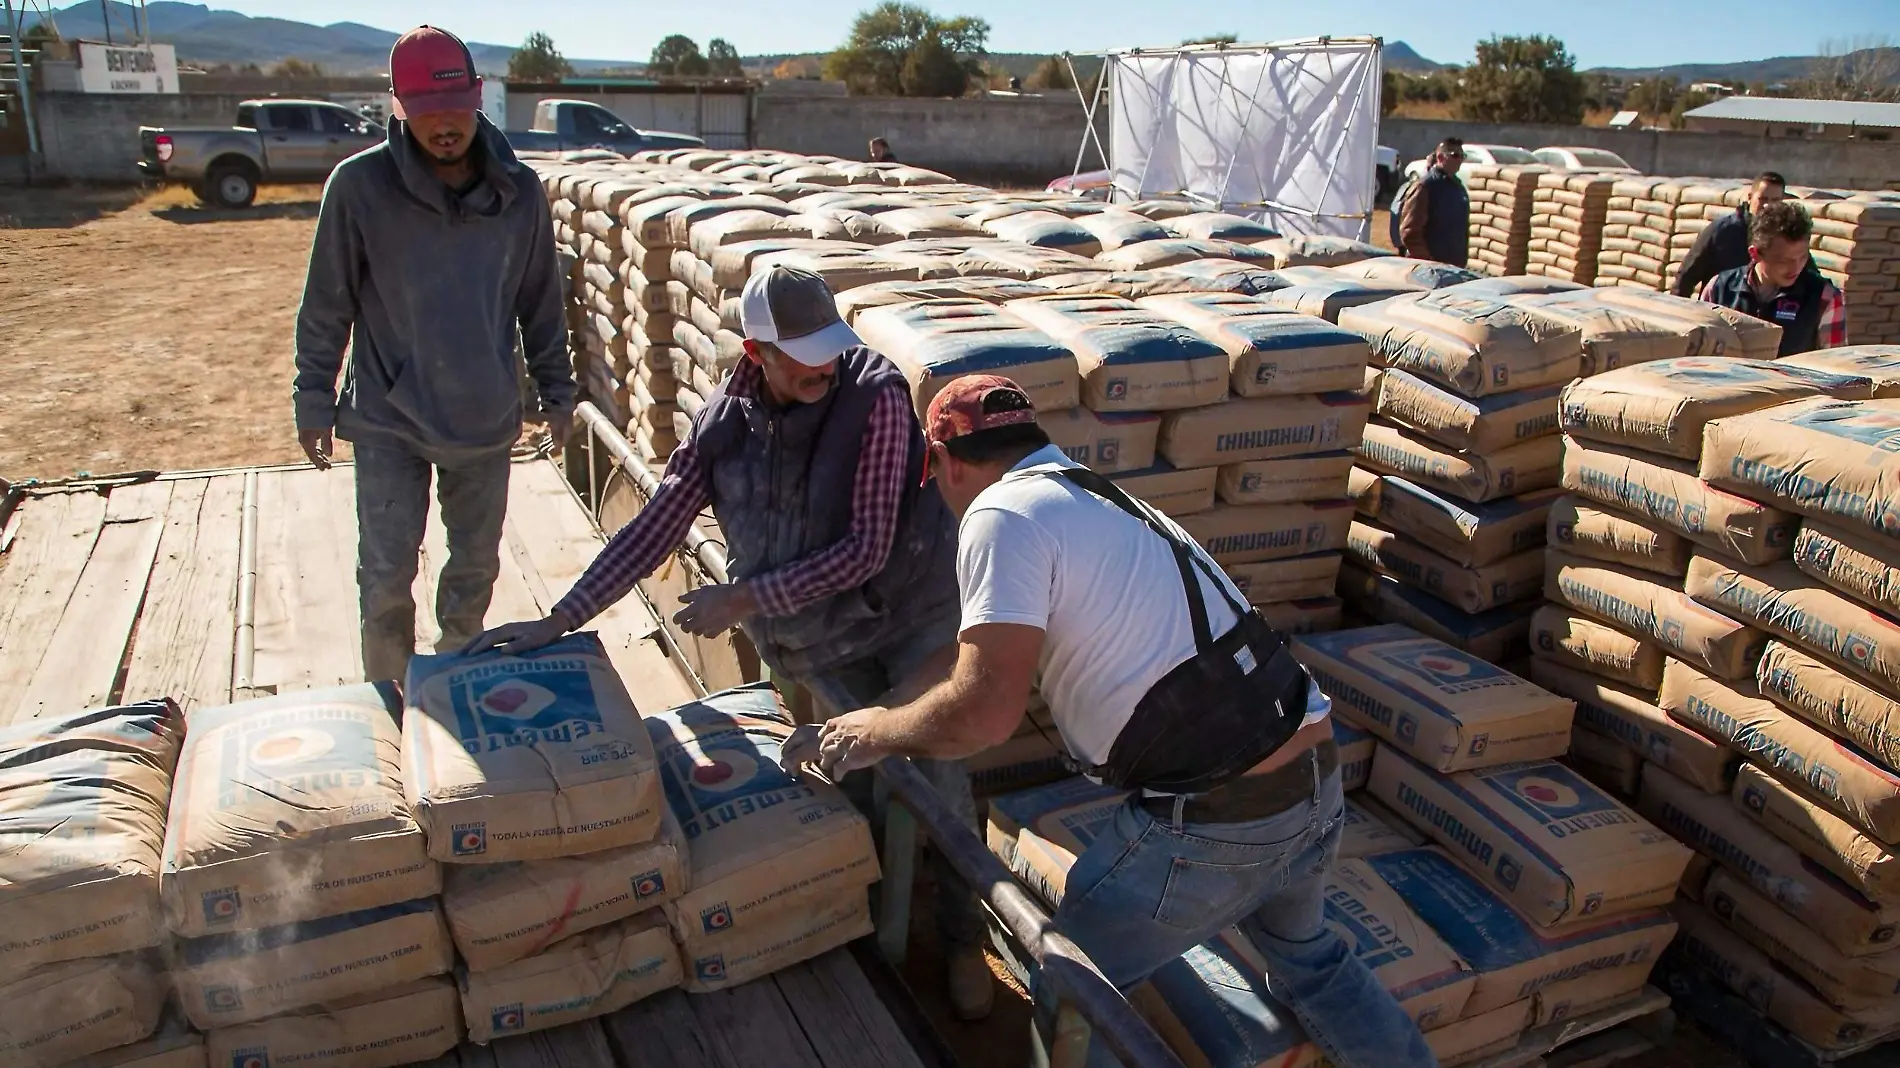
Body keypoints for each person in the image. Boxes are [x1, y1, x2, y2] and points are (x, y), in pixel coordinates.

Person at [789, 375, 1438, 1068]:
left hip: (1220, 816)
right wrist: (877, 712)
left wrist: (873, 739)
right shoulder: (1083, 493)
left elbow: (982, 714)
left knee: (1076, 988)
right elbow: (971, 651)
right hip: (1311, 775)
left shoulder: (999, 515)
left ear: (945, 462)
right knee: (1309, 957)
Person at [466, 264, 995, 1021]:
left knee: (937, 768)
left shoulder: (874, 398)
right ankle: (875, 915)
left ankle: (962, 936)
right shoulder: (726, 421)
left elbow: (867, 549)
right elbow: (658, 523)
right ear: (757, 353)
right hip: (827, 630)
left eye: (829, 348)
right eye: (803, 354)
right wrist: (562, 617)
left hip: (913, 610)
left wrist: (744, 598)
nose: (823, 366)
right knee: (849, 767)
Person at [293, 25, 574, 683]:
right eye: (425, 112)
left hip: (483, 417)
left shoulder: (519, 194)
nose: (443, 126)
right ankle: (390, 697)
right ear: (399, 108)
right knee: (387, 575)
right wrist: (313, 396)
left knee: (474, 568)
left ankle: (451, 680)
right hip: (389, 420)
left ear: (478, 100)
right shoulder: (359, 189)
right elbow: (326, 302)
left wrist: (557, 392)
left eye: (456, 109)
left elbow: (541, 302)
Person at [1698, 199, 1846, 356]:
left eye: (1802, 258)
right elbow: (1699, 348)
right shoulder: (1719, 289)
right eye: (1783, 261)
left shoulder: (1824, 298)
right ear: (1755, 254)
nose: (1795, 268)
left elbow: (1833, 363)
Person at [1673, 171, 1786, 297]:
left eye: (1775, 200)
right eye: (1762, 199)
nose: (1767, 205)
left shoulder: (1785, 236)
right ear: (1750, 197)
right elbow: (1686, 277)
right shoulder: (1722, 231)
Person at [1394, 137, 1469, 267]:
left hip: (1453, 266)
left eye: (1463, 156)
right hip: (1429, 269)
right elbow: (1410, 231)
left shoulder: (1458, 188)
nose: (1460, 160)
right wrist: (1427, 261)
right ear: (1440, 157)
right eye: (1455, 155)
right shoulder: (1425, 187)